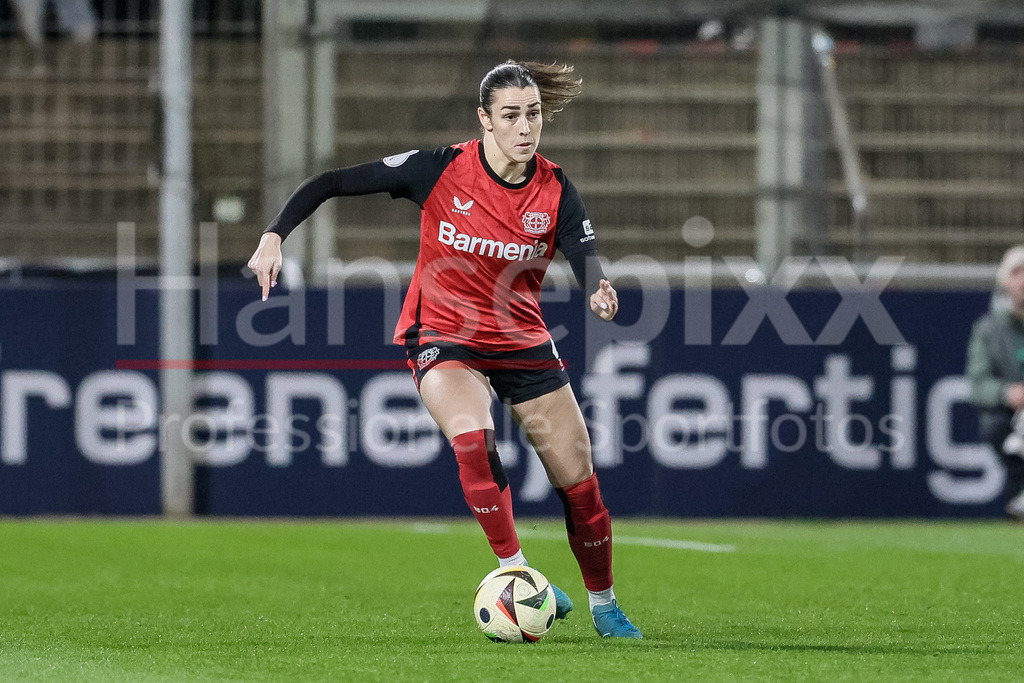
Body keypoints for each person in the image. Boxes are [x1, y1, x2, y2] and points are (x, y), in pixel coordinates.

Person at [248, 61, 643, 638]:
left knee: (580, 486)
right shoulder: (439, 169)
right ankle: (516, 572)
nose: (525, 127)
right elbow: (329, 183)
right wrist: (273, 235)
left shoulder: (555, 188)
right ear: (484, 119)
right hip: (443, 335)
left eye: (532, 114)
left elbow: (585, 259)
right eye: (510, 115)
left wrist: (598, 291)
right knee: (471, 437)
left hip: (521, 340)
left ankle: (604, 604)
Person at [966, 244, 1024, 520]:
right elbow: (978, 383)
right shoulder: (988, 330)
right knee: (998, 428)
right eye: (1017, 272)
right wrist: (1007, 393)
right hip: (1009, 417)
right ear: (1005, 280)